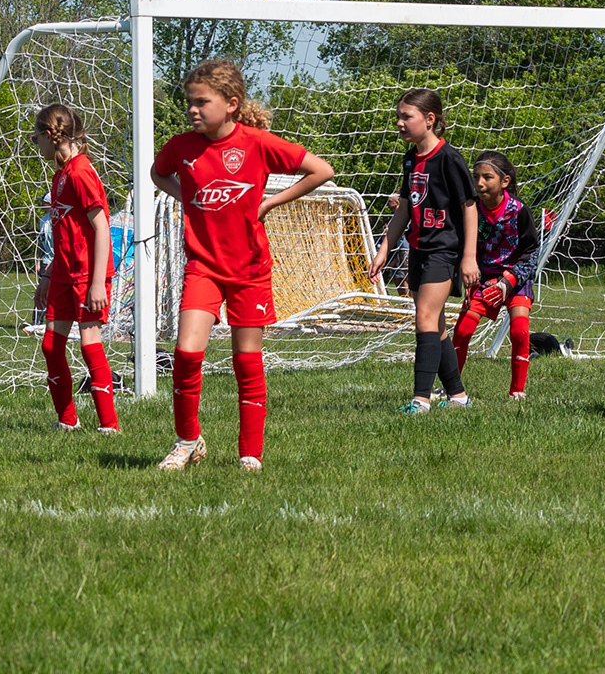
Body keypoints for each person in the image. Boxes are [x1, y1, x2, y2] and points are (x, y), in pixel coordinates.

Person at [151, 60, 336, 472]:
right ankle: (187, 441)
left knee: (246, 360)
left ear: (231, 103)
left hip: (250, 270)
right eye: (189, 103)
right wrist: (187, 198)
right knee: (185, 352)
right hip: (203, 267)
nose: (192, 110)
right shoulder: (180, 147)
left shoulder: (256, 142)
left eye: (202, 102)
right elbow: (157, 174)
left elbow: (321, 170)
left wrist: (271, 201)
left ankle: (250, 453)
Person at [368, 88, 480, 415]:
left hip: (444, 250)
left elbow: (469, 207)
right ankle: (457, 395)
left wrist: (469, 256)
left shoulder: (449, 158)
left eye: (407, 117)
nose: (399, 123)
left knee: (425, 317)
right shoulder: (410, 158)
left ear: (430, 120)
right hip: (418, 248)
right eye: (398, 117)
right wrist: (385, 248)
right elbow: (404, 208)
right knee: (437, 324)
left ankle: (421, 399)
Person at [31, 104, 121, 434]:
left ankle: (109, 426)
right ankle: (66, 420)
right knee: (51, 345)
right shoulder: (60, 176)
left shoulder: (82, 172)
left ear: (49, 136)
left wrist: (97, 283)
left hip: (87, 275)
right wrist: (47, 274)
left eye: (35, 136)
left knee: (88, 342)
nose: (34, 143)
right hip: (64, 273)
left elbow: (101, 227)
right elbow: (66, 232)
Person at [450, 152, 540, 400]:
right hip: (482, 280)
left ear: (505, 181)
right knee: (463, 331)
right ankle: (450, 387)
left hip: (515, 280)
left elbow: (532, 252)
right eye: (476, 177)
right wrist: (467, 276)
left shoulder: (519, 211)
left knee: (520, 331)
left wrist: (509, 280)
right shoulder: (470, 210)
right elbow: (462, 248)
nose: (479, 183)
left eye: (486, 177)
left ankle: (517, 392)